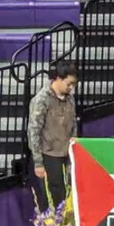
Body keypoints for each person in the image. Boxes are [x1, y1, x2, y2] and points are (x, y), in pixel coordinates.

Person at [28, 62, 78, 212]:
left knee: (68, 194)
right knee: (54, 198)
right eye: (69, 84)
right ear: (58, 79)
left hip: (66, 153)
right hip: (48, 155)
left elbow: (73, 123)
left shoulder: (70, 98)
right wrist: (38, 163)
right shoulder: (41, 100)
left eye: (73, 85)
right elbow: (33, 131)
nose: (71, 88)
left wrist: (74, 143)